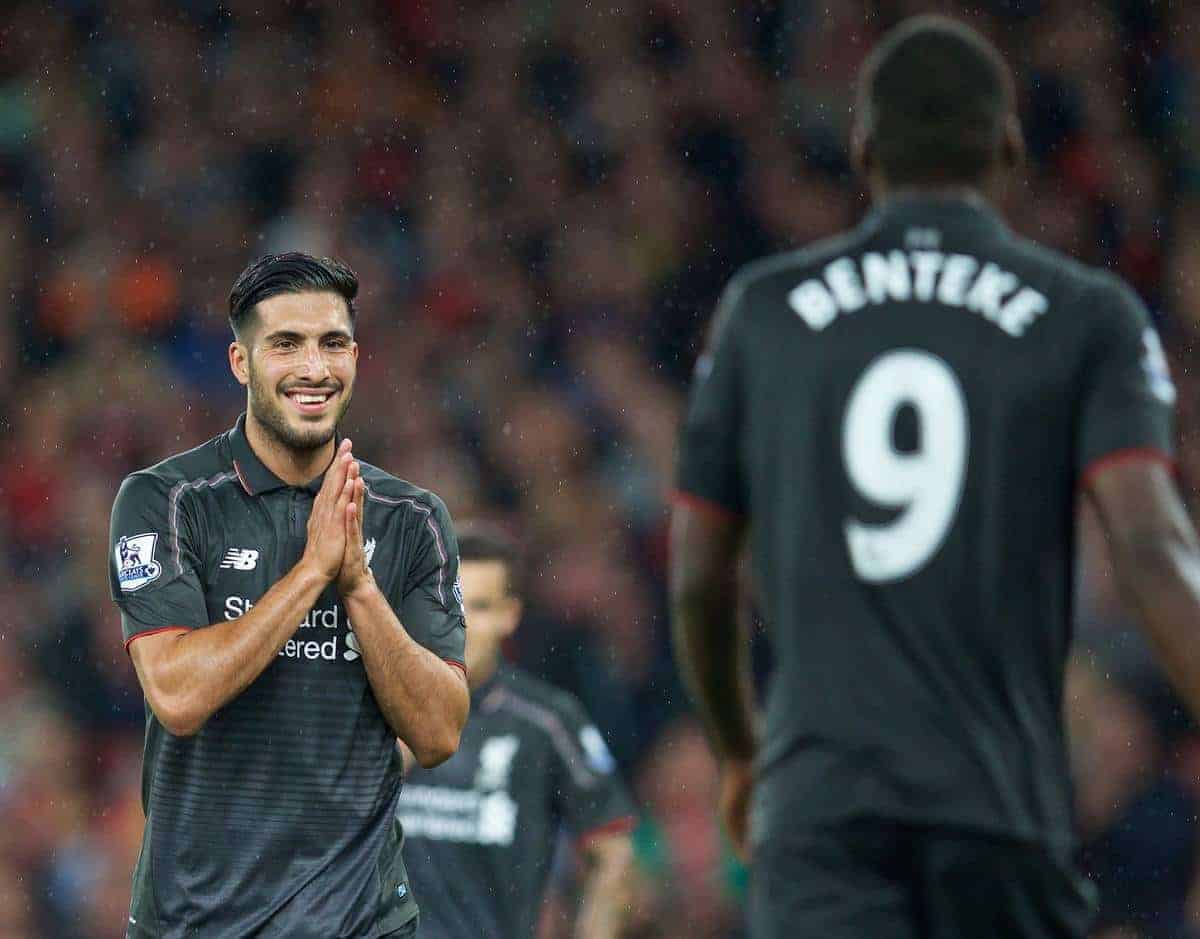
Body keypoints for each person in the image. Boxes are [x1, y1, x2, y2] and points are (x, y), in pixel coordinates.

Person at [670, 14, 1200, 939]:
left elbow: (699, 572)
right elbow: (1153, 548)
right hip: (995, 809)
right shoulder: (1088, 315)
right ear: (1007, 149)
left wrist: (741, 749)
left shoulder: (765, 312)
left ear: (864, 148)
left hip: (821, 814)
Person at [108, 253, 470, 938]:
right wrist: (311, 571)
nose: (314, 367)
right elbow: (179, 696)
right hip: (196, 920)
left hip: (362, 920)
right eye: (286, 344)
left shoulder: (409, 518)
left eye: (333, 343)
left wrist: (358, 585)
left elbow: (438, 731)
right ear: (241, 363)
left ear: (356, 357)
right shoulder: (166, 501)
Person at [396, 524, 637, 938]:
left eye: (481, 607)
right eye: (448, 603)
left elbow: (613, 854)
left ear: (510, 616)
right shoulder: (377, 709)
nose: (462, 624)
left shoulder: (545, 721)